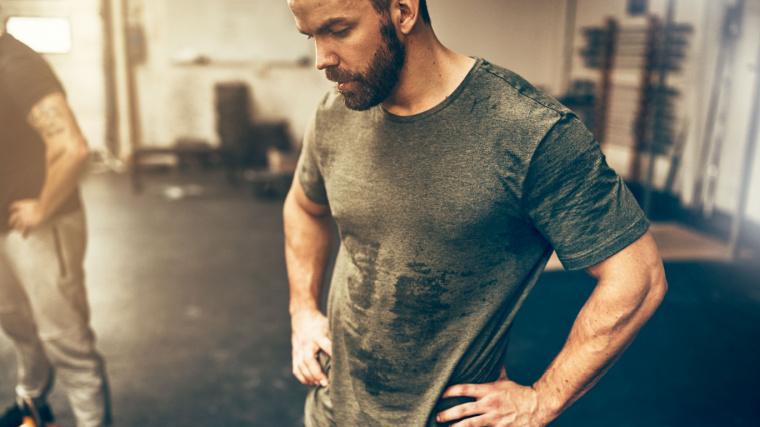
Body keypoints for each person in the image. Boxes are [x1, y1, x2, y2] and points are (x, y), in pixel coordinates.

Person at [283, 0, 668, 425]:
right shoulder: (335, 114)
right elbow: (304, 206)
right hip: (331, 412)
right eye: (311, 36)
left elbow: (638, 277)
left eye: (338, 30)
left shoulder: (530, 131)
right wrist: (302, 309)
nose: (322, 59)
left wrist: (542, 400)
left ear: (403, 12)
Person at [0, 28, 111, 427]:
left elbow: (72, 147)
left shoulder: (15, 65)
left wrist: (43, 207)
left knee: (66, 343)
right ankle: (32, 404)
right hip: (3, 227)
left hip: (39, 228)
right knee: (18, 327)